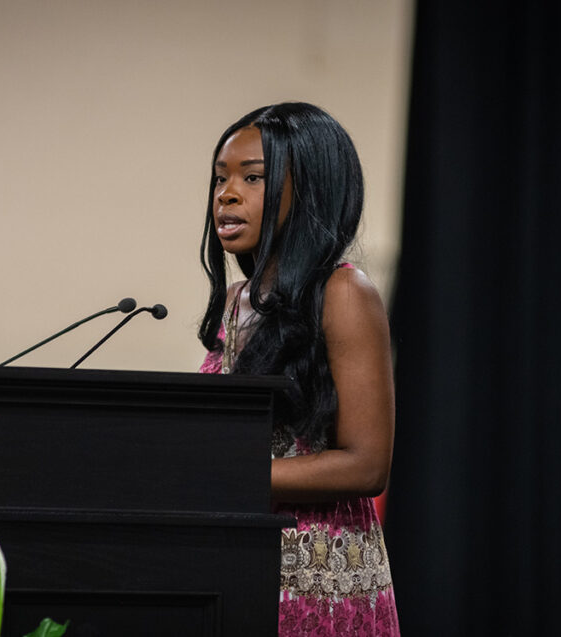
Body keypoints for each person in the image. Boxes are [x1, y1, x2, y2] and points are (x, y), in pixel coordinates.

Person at [197, 102, 401, 635]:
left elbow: (366, 464)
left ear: (308, 190)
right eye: (220, 178)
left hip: (317, 575)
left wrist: (222, 479)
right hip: (239, 561)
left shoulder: (344, 292)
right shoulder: (239, 300)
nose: (227, 193)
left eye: (253, 177)